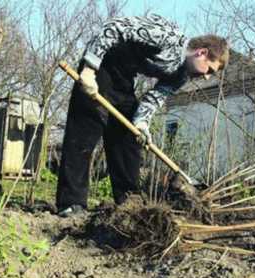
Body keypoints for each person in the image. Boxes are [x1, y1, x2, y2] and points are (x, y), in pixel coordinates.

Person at [56, 14, 229, 217]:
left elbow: (156, 96)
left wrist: (141, 123)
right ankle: (71, 204)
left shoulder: (182, 75)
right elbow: (114, 27)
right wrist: (88, 70)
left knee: (129, 139)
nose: (207, 76)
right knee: (84, 132)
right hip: (102, 67)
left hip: (123, 80)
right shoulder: (168, 37)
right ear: (202, 52)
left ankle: (128, 203)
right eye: (210, 69)